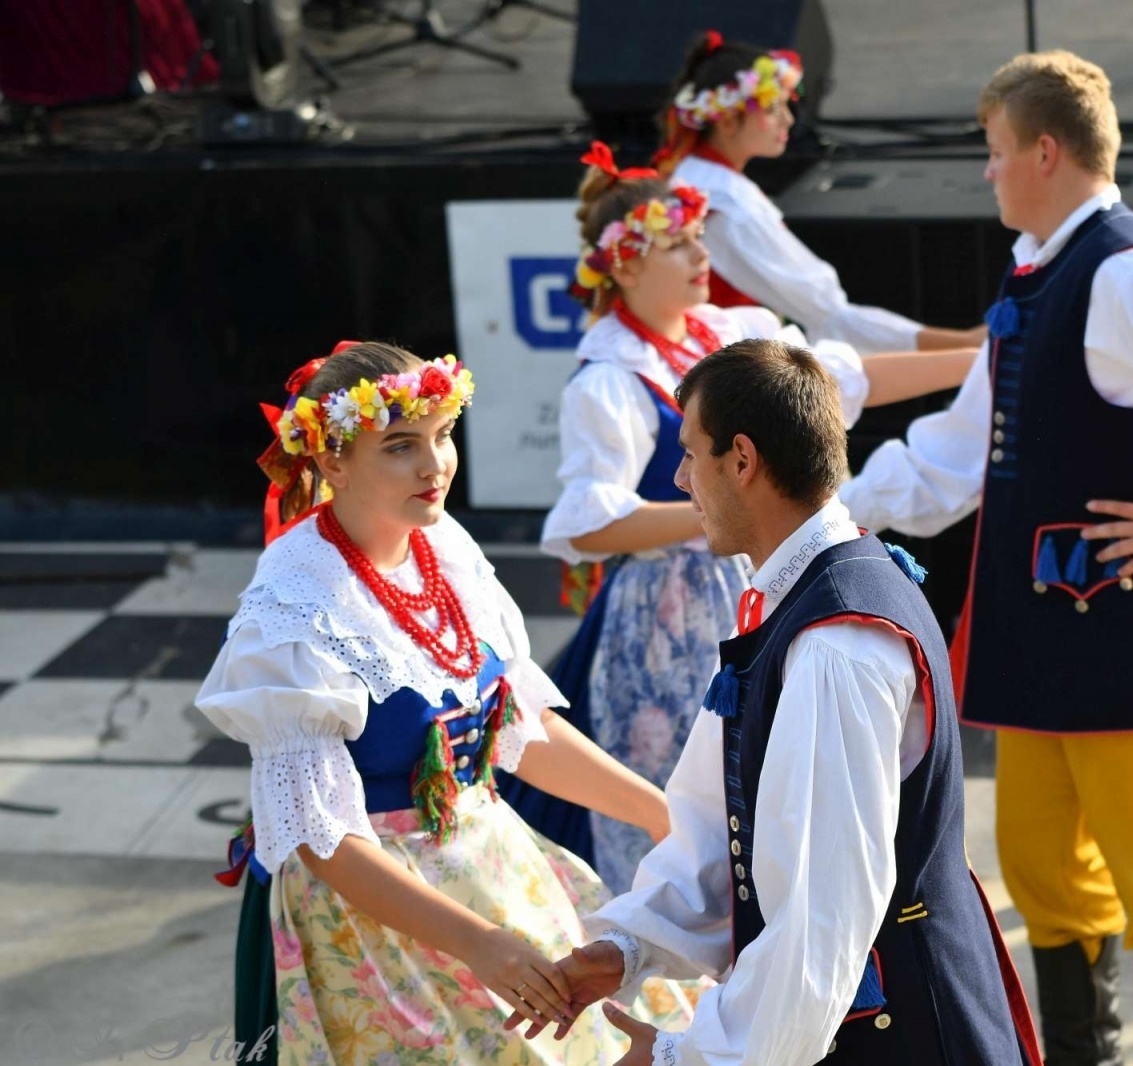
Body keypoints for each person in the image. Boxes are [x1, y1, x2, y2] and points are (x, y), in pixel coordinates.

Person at [837, 51, 1133, 1066]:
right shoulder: (1042, 273)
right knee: (1044, 869)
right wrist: (834, 511)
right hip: (1043, 641)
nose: (988, 172)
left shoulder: (1125, 273)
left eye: (997, 153)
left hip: (1131, 633)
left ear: (1045, 153)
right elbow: (960, 452)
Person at [530, 339, 1041, 1066]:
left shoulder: (835, 648)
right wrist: (627, 949)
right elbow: (714, 825)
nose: (680, 479)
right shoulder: (798, 599)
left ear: (741, 461)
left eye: (689, 455)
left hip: (900, 1034)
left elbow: (821, 922)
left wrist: (687, 1059)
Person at [197, 342, 700, 1064]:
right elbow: (322, 840)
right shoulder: (293, 604)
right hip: (378, 910)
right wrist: (478, 943)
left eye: (442, 436)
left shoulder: (445, 549)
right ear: (333, 461)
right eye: (401, 446)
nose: (435, 466)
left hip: (488, 861)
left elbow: (518, 732)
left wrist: (661, 814)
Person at [509, 143, 977, 894]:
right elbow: (586, 524)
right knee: (691, 811)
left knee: (789, 784)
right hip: (672, 618)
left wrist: (979, 359)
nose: (702, 253)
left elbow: (841, 381)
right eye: (679, 243)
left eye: (700, 235)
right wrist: (718, 511)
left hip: (765, 575)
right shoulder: (608, 379)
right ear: (625, 267)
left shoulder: (732, 330)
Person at [655, 30, 985, 352]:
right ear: (726, 122)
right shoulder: (725, 203)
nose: (787, 120)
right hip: (719, 370)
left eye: (786, 106)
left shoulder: (697, 178)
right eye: (772, 109)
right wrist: (963, 346)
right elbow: (828, 314)